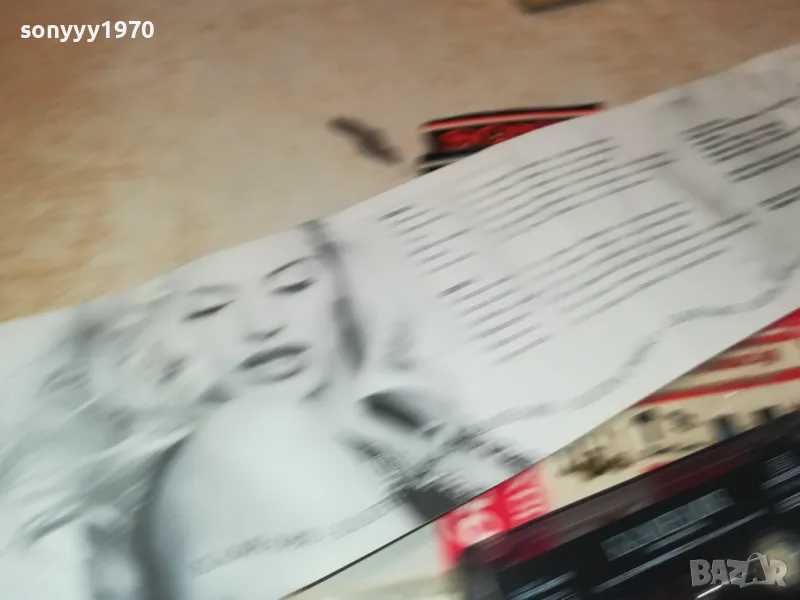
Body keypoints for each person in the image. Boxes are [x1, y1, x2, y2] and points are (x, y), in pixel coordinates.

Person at [0, 218, 531, 600]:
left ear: (341, 283)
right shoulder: (248, 438)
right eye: (209, 307)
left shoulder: (403, 410)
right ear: (152, 335)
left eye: (293, 284)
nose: (262, 324)